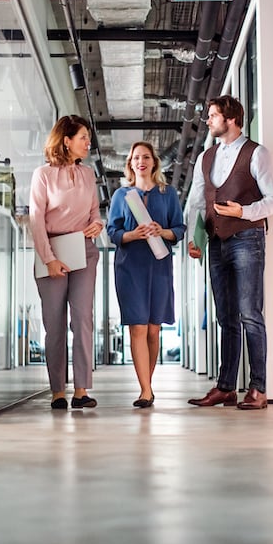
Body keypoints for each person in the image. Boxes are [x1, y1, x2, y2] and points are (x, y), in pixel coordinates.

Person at [184, 95, 273, 410]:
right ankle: (226, 387)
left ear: (231, 119)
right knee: (225, 316)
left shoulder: (258, 154)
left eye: (213, 115)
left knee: (250, 315)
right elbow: (198, 202)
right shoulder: (206, 157)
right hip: (216, 241)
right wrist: (195, 238)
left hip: (247, 238)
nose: (209, 120)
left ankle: (258, 389)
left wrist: (243, 212)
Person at [30, 115, 104, 409]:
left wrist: (97, 224)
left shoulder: (88, 174)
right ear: (66, 140)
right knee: (55, 324)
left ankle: (81, 390)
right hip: (53, 251)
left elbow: (95, 212)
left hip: (84, 250)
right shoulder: (43, 175)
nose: (88, 142)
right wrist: (49, 259)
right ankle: (58, 391)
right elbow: (36, 220)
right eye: (83, 137)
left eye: (88, 137)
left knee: (83, 319)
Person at [107, 141, 186, 408]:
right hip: (130, 267)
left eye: (146, 157)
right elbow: (112, 232)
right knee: (137, 327)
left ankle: (147, 386)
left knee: (154, 330)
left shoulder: (168, 193)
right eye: (136, 157)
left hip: (159, 265)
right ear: (130, 163)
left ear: (154, 162)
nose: (141, 161)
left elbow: (179, 228)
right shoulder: (121, 196)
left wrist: (161, 231)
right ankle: (145, 390)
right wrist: (133, 234)